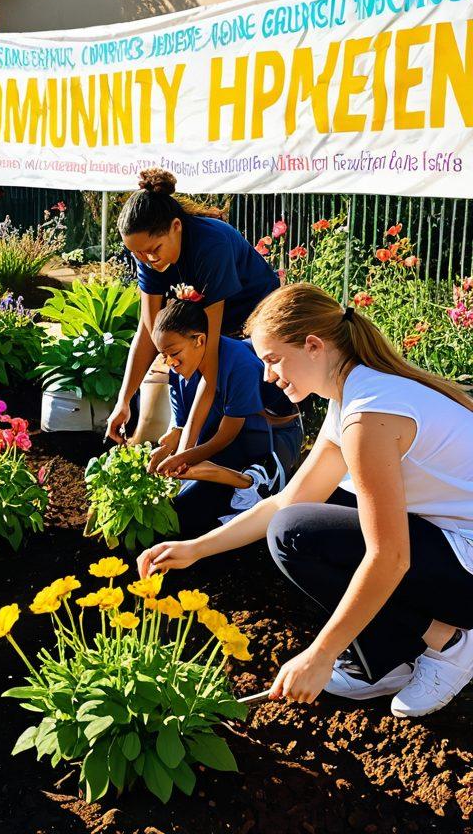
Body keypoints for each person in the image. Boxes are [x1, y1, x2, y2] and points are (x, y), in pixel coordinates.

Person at [136, 283, 473, 718]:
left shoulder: (369, 416)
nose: (268, 377)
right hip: (452, 548)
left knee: (300, 534)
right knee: (303, 518)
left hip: (465, 564)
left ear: (313, 346)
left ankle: (451, 645)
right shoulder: (355, 396)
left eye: (273, 360)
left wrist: (319, 655)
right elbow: (285, 501)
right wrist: (195, 548)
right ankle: (387, 662)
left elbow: (389, 557)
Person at [107, 168, 284, 460]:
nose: (147, 260)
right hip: (214, 323)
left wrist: (185, 453)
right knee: (184, 361)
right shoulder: (148, 256)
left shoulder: (210, 246)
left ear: (176, 226)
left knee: (235, 389)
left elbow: (210, 358)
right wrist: (123, 401)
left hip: (258, 320)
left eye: (153, 249)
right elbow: (150, 334)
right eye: (137, 254)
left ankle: (263, 461)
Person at [148, 297, 303, 537]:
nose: (171, 363)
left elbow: (227, 434)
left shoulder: (239, 364)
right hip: (220, 445)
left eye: (175, 353)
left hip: (266, 440)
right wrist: (166, 447)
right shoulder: (178, 369)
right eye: (164, 356)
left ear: (200, 340)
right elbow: (182, 425)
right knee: (179, 509)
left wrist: (183, 458)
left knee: (210, 512)